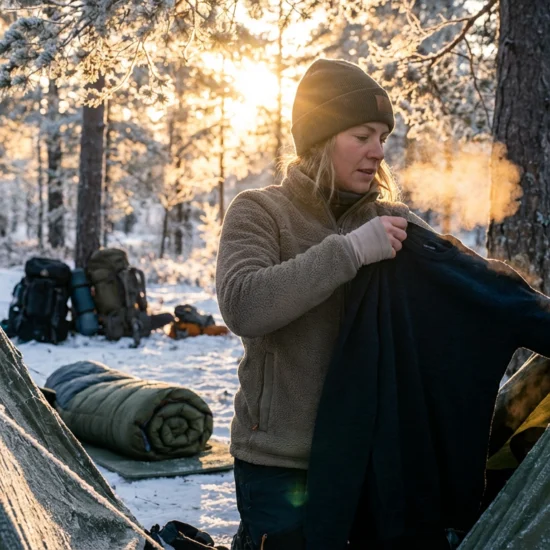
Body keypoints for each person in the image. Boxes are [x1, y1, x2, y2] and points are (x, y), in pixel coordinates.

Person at [215, 58, 437, 550]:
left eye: (383, 137)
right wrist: (351, 251)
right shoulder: (260, 211)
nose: (378, 152)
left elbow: (472, 283)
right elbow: (243, 305)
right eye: (362, 135)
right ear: (320, 139)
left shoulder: (393, 222)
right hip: (280, 461)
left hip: (368, 458)